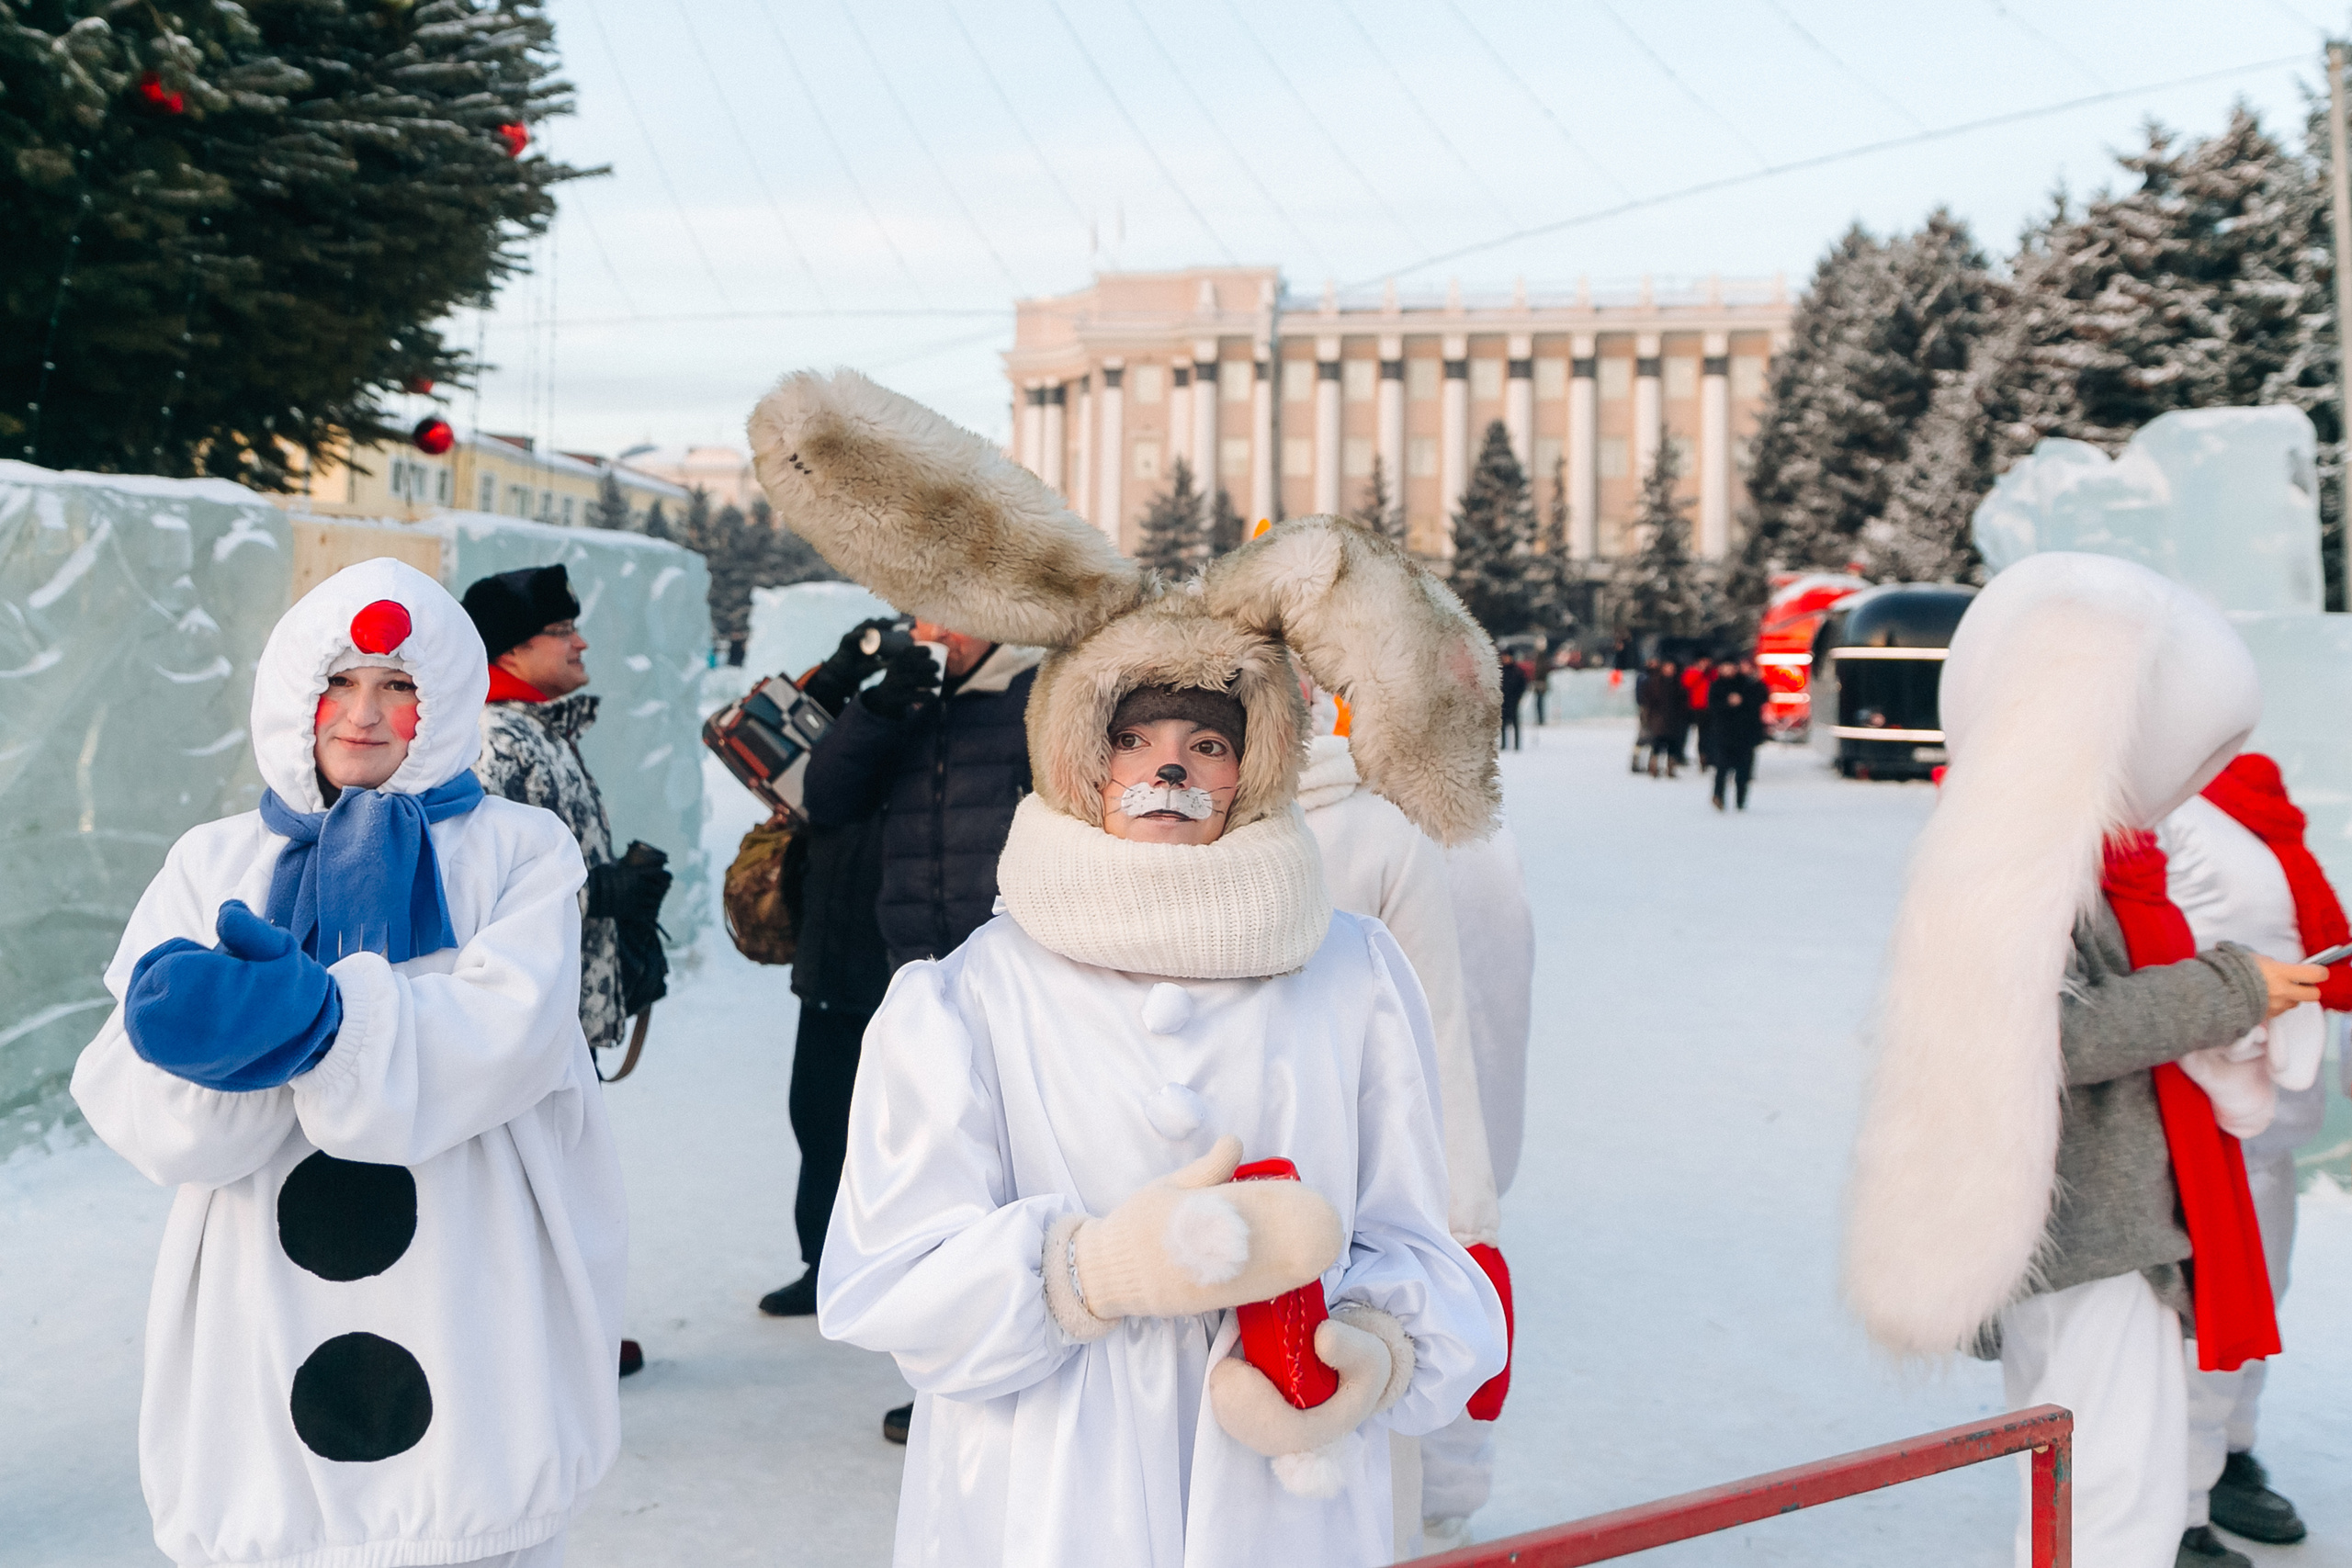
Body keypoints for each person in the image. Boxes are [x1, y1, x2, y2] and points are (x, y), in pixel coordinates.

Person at [750, 368, 1506, 1568]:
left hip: (1283, 1499)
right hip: (1042, 1503)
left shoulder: (1350, 973)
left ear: (1255, 765)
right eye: (1134, 739)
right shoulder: (966, 998)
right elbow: (889, 1281)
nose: (1168, 769)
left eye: (1206, 741)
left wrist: (1375, 1349)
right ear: (1077, 760)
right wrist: (1091, 1271)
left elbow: (1420, 1238)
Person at [72, 558, 626, 1568]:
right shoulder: (214, 861)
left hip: (465, 1278)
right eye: (339, 681)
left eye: (399, 684)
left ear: (442, 699)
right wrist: (206, 1049)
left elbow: (511, 1035)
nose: (363, 714)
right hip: (261, 1296)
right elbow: (133, 1093)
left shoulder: (515, 848)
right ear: (295, 691)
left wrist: (329, 1025)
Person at [1846, 553, 2322, 1568]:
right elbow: (2042, 1034)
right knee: (2112, 1500)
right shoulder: (2021, 866)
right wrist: (2230, 988)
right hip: (2089, 1233)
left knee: (2090, 1488)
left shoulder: (2031, 851)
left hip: (2089, 1225)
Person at [1296, 709, 1513, 1552]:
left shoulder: (1385, 831)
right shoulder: (1169, 817)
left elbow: (1443, 1031)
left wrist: (1467, 1213)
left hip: (1356, 1196)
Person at [464, 562, 671, 1379]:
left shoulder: (539, 728)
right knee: (524, 1184)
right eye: (562, 630)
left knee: (562, 1175)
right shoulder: (491, 738)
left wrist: (618, 916)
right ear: (512, 649)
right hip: (522, 1011)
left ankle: (565, 1330)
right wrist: (601, 894)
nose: (580, 641)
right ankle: (529, 1346)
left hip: (560, 1005)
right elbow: (474, 882)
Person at [2162, 752, 2349, 1566]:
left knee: (2260, 1297)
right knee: (2196, 1319)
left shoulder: (2259, 806)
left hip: (2273, 1117)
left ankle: (2228, 1454)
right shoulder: (2160, 805)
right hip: (2197, 1116)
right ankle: (2175, 1503)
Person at [757, 624, 898, 1322]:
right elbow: (767, 733)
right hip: (831, 961)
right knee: (818, 1121)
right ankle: (824, 1265)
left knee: (907, 1135)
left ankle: (909, 1270)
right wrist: (848, 669)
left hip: (909, 966)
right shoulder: (862, 714)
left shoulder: (967, 717)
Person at [1706, 658, 1768, 812]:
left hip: (1745, 735)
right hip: (1724, 733)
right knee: (1722, 767)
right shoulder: (1717, 685)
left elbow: (1760, 698)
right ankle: (1718, 796)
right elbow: (1713, 707)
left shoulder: (1746, 683)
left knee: (1743, 770)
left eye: (1731, 666)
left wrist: (1743, 699)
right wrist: (1728, 704)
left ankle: (1740, 800)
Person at [1637, 658, 1686, 778]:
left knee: (1672, 745)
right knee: (1657, 744)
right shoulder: (1654, 682)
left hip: (1673, 719)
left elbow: (1682, 701)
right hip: (1658, 719)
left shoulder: (1677, 683)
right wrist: (1650, 717)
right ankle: (1653, 767)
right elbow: (1648, 701)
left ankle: (1670, 768)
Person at [1681, 657, 1716, 771]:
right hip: (1697, 708)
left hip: (1711, 707)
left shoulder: (1712, 673)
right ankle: (1703, 757)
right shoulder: (1692, 672)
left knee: (1711, 734)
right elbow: (1687, 683)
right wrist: (1700, 672)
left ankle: (1711, 757)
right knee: (1702, 734)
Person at [1498, 655, 1527, 751]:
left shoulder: (1517, 671)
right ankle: (1503, 744)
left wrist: (1518, 697)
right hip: (1503, 701)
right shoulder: (1500, 671)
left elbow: (1522, 685)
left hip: (1513, 701)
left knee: (1515, 723)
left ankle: (1516, 745)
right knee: (1502, 724)